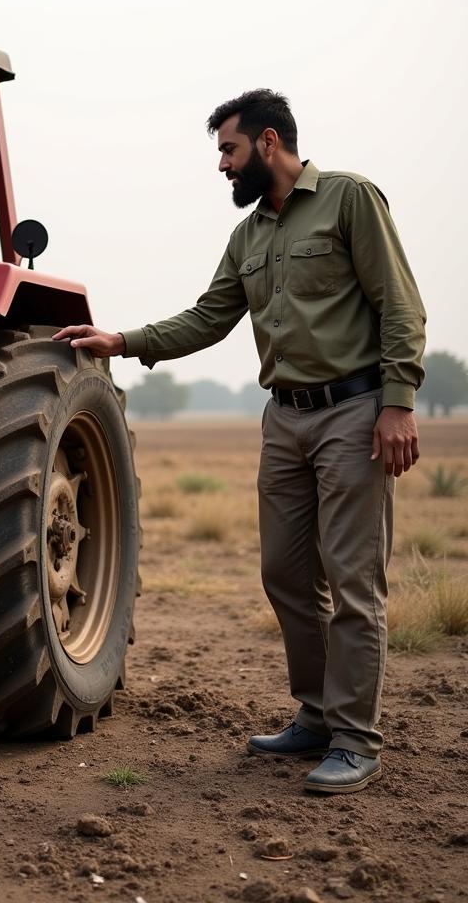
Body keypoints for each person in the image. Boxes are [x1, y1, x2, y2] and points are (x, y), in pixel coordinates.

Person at [53, 89, 426, 795]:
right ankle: (316, 716)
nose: (222, 166)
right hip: (283, 419)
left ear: (268, 143)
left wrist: (398, 404)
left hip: (353, 411)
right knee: (285, 575)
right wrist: (122, 342)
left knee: (353, 581)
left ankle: (356, 739)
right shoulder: (250, 236)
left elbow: (401, 305)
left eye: (228, 149)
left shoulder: (349, 200)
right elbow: (207, 317)